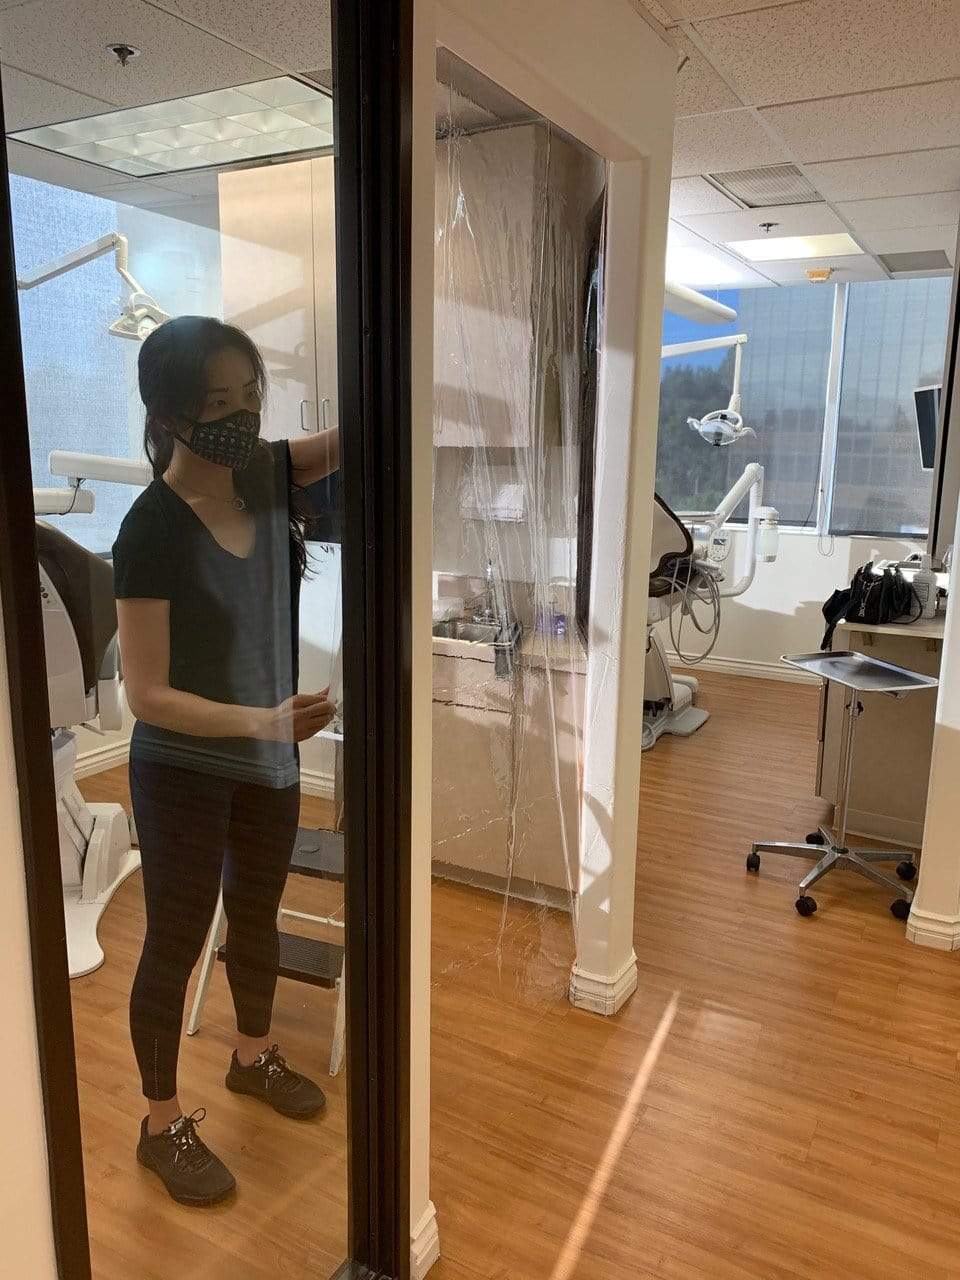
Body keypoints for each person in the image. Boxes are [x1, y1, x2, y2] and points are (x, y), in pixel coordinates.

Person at [112, 316, 340, 1207]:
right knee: (175, 939)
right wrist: (263, 723)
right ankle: (159, 1121)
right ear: (170, 414)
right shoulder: (150, 530)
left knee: (256, 915)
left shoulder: (264, 478)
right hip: (181, 768)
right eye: (219, 402)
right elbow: (147, 694)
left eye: (251, 395)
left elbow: (351, 439)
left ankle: (252, 1055)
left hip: (266, 759)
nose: (242, 416)